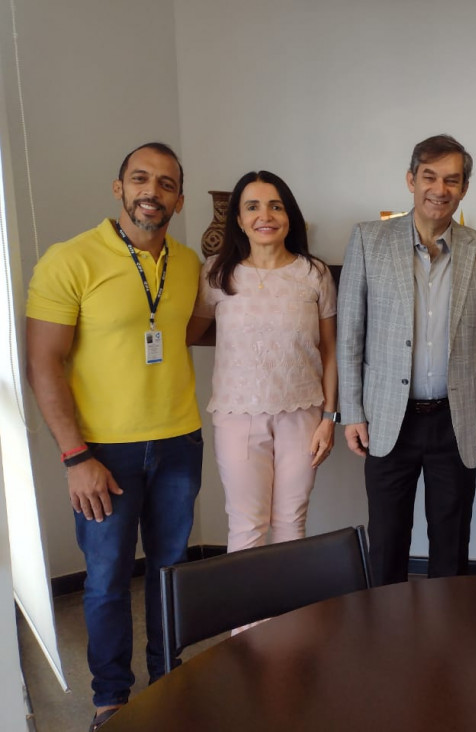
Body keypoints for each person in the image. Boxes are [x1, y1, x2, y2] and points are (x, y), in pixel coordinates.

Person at [25, 142, 202, 730]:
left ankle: (169, 680)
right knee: (104, 581)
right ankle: (112, 701)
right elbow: (42, 364)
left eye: (167, 182)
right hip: (102, 451)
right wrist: (76, 456)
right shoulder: (69, 259)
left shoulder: (188, 264)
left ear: (179, 197)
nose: (152, 191)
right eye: (140, 178)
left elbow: (194, 331)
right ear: (118, 187)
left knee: (171, 572)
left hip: (179, 442)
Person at [337, 134, 476, 586]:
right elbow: (349, 332)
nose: (440, 188)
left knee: (452, 545)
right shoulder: (369, 239)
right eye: (429, 176)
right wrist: (350, 411)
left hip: (455, 420)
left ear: (464, 188)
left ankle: (446, 645)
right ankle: (387, 643)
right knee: (387, 541)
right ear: (411, 180)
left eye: (452, 180)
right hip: (388, 418)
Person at [187, 171, 338, 553]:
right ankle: (249, 616)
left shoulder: (314, 273)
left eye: (275, 205)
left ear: (289, 216)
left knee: (291, 523)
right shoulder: (217, 273)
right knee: (246, 526)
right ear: (238, 219)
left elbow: (329, 350)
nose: (265, 215)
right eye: (252, 206)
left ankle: (291, 615)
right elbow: (187, 334)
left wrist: (329, 418)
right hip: (238, 414)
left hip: (303, 413)